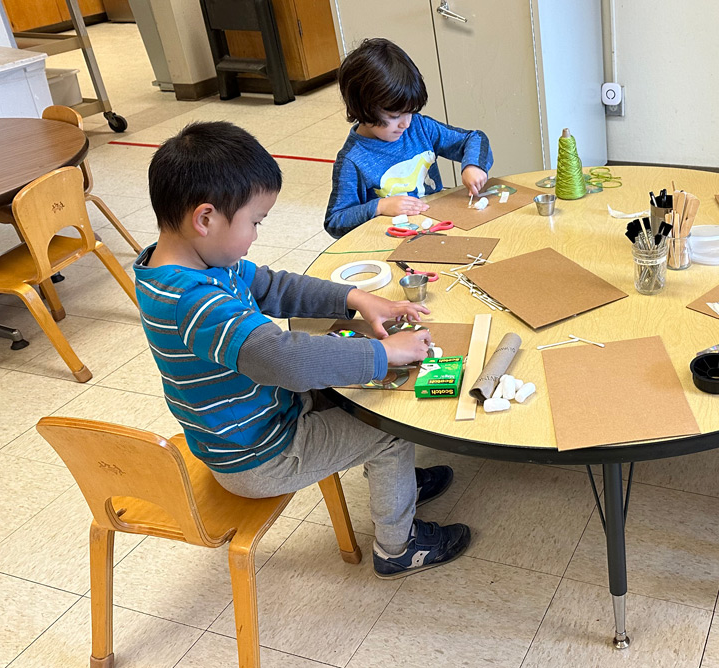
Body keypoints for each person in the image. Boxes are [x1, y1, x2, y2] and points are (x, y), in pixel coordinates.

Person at [136, 121, 471, 578]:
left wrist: (355, 298)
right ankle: (398, 546)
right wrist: (386, 353)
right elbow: (284, 360)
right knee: (392, 429)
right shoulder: (194, 301)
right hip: (260, 454)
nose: (256, 235)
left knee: (364, 394)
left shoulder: (197, 260)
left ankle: (400, 487)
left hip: (260, 418)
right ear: (206, 218)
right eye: (254, 222)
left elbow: (274, 287)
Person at [324, 38, 494, 238]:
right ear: (362, 109)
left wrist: (473, 165)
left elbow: (474, 139)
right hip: (389, 244)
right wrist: (379, 206)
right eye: (394, 116)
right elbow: (335, 221)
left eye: (410, 112)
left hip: (436, 231)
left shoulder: (419, 127)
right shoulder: (352, 160)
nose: (405, 123)